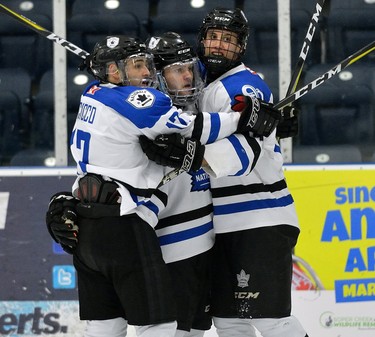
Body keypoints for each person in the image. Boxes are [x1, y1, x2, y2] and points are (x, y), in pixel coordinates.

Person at [46, 33, 277, 337]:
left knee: (125, 327)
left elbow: (243, 157)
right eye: (174, 70)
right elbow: (112, 165)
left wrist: (260, 125)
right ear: (158, 75)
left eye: (189, 69)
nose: (186, 77)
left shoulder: (112, 100)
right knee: (159, 328)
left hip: (200, 245)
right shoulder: (147, 114)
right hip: (153, 245)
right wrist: (67, 202)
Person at [140, 8, 308, 337]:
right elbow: (161, 72)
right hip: (223, 224)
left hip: (260, 219)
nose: (218, 46)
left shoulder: (243, 86)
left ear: (241, 47)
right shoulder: (198, 75)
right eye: (213, 37)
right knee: (229, 322)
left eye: (228, 40)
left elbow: (245, 153)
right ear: (201, 40)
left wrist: (189, 156)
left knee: (270, 319)